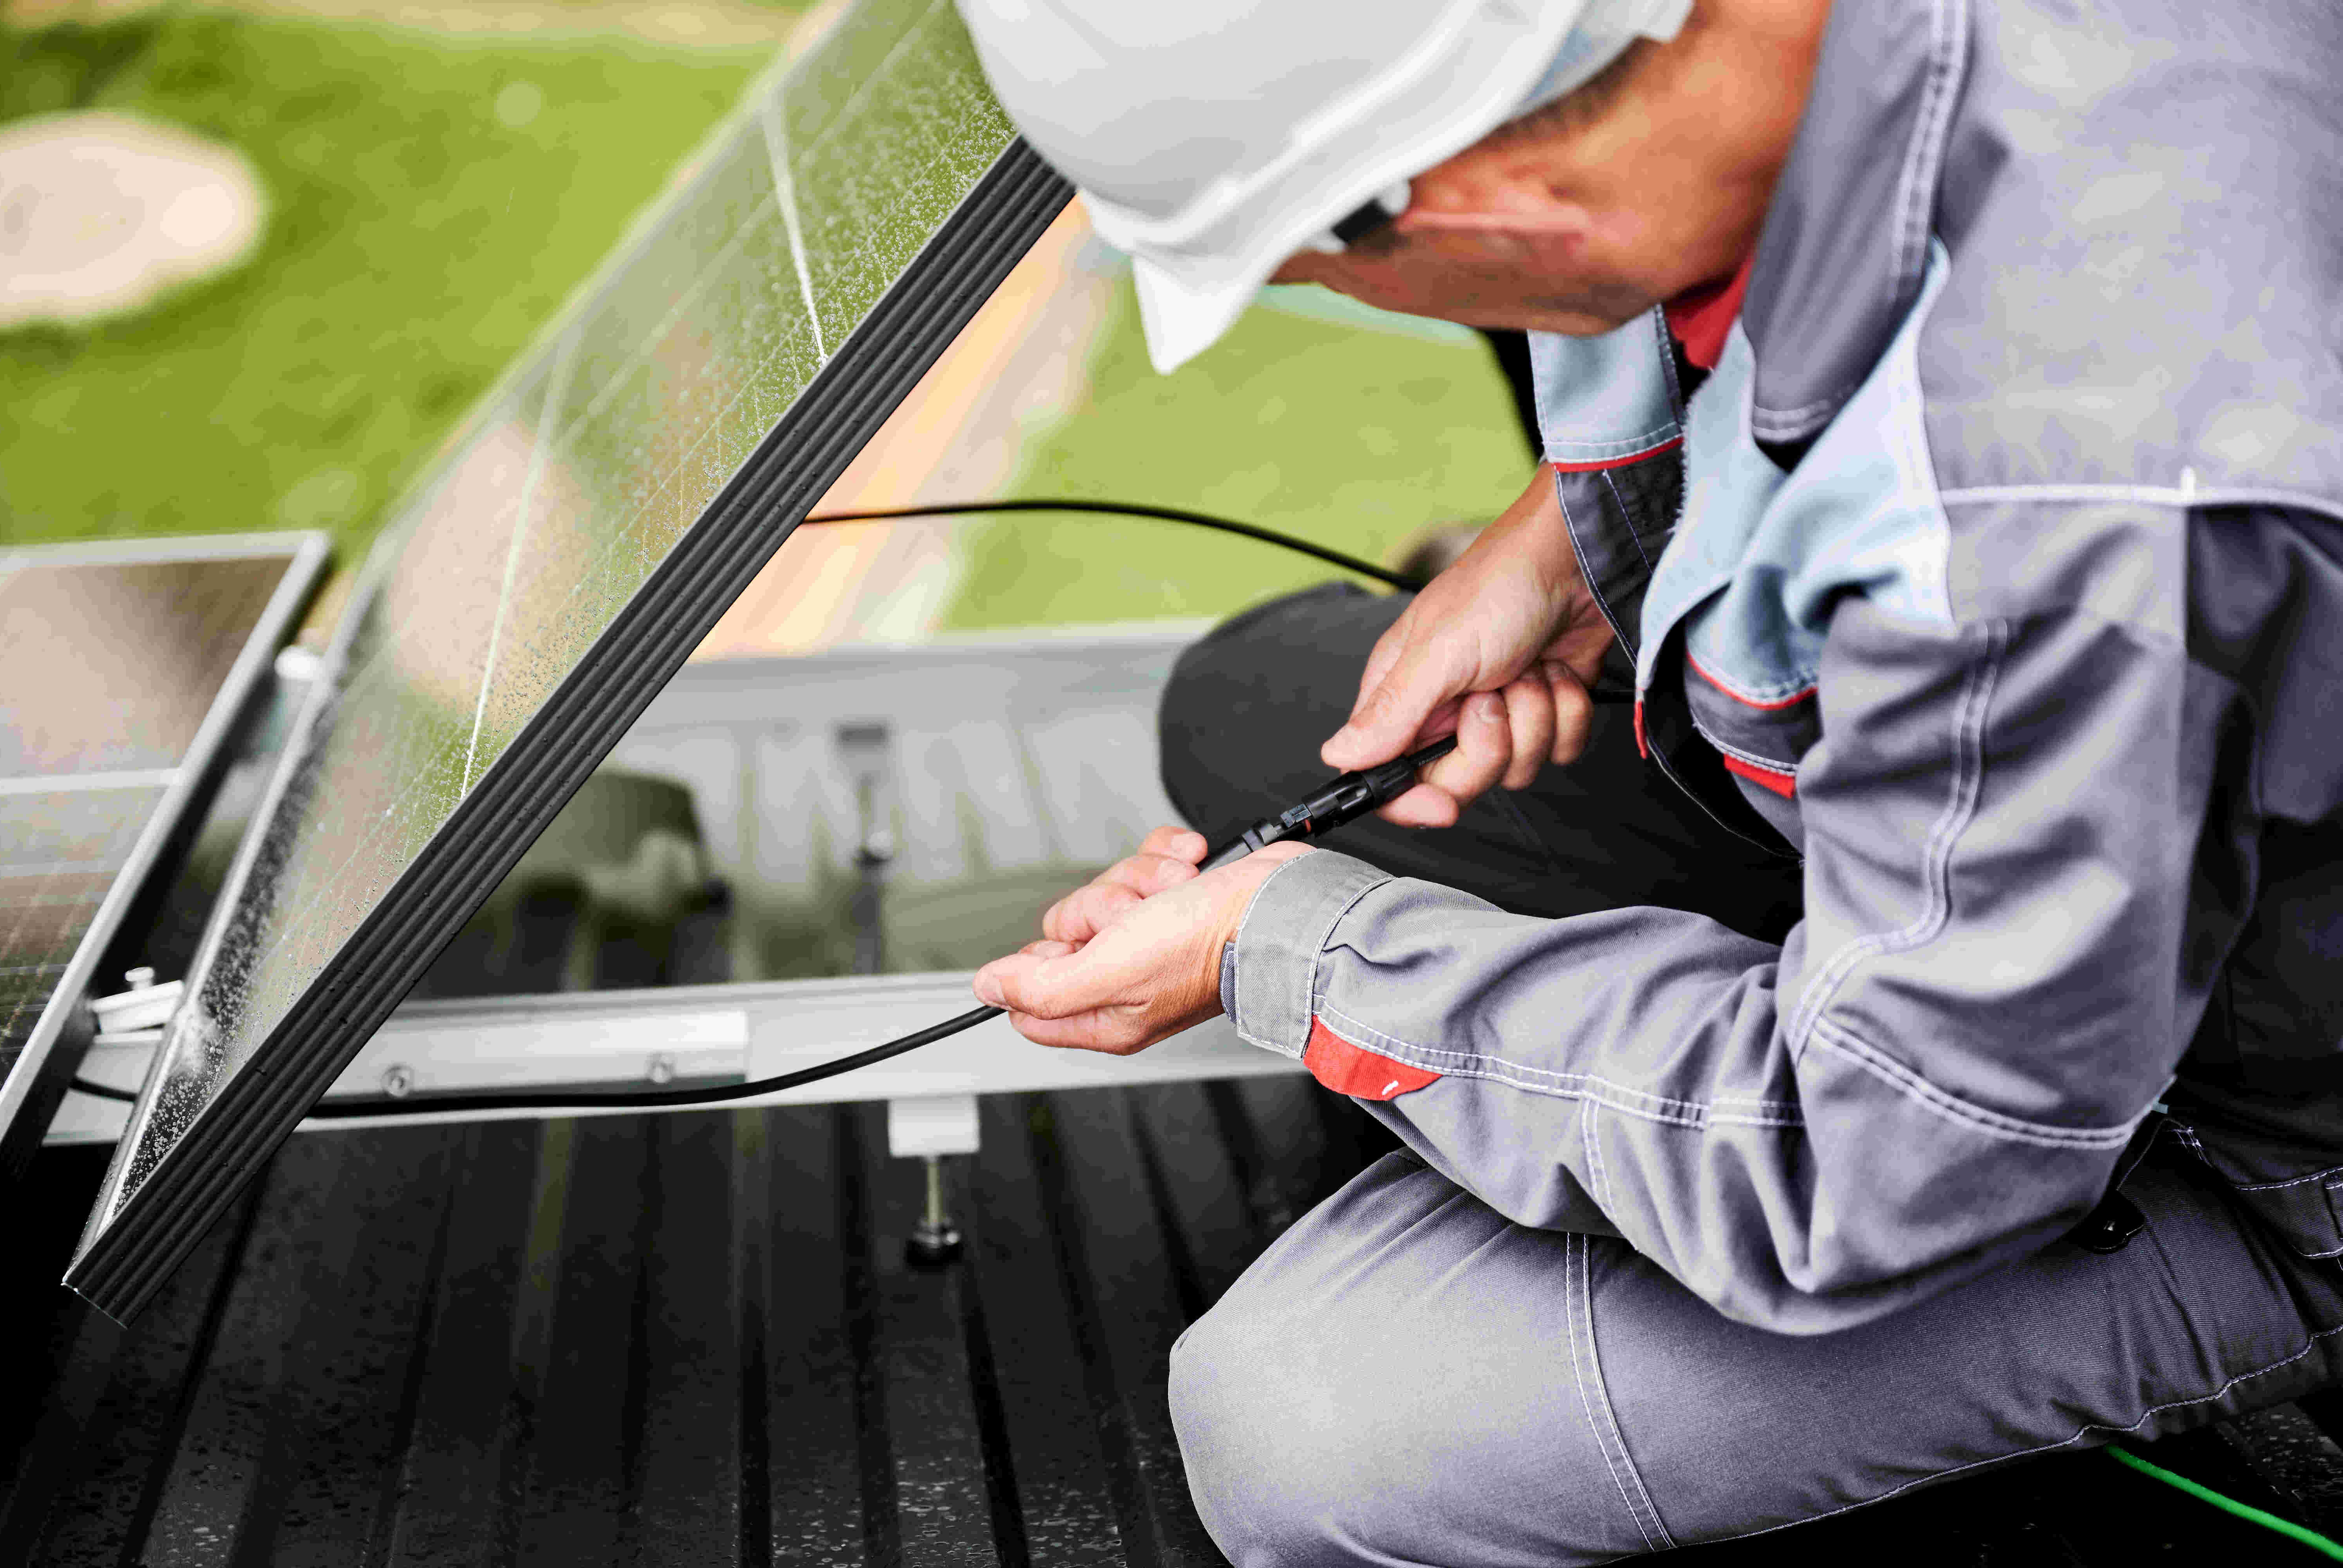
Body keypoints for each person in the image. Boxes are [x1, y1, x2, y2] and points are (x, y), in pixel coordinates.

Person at [952, 0, 2343, 1561]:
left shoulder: (2047, 529)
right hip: (2042, 883)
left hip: (2223, 1137)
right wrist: (1571, 547)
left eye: (1329, 276)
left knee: (1307, 1417)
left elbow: (1882, 1158)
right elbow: (1820, 320)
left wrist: (1289, 945)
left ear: (1472, 205)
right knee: (1264, 710)